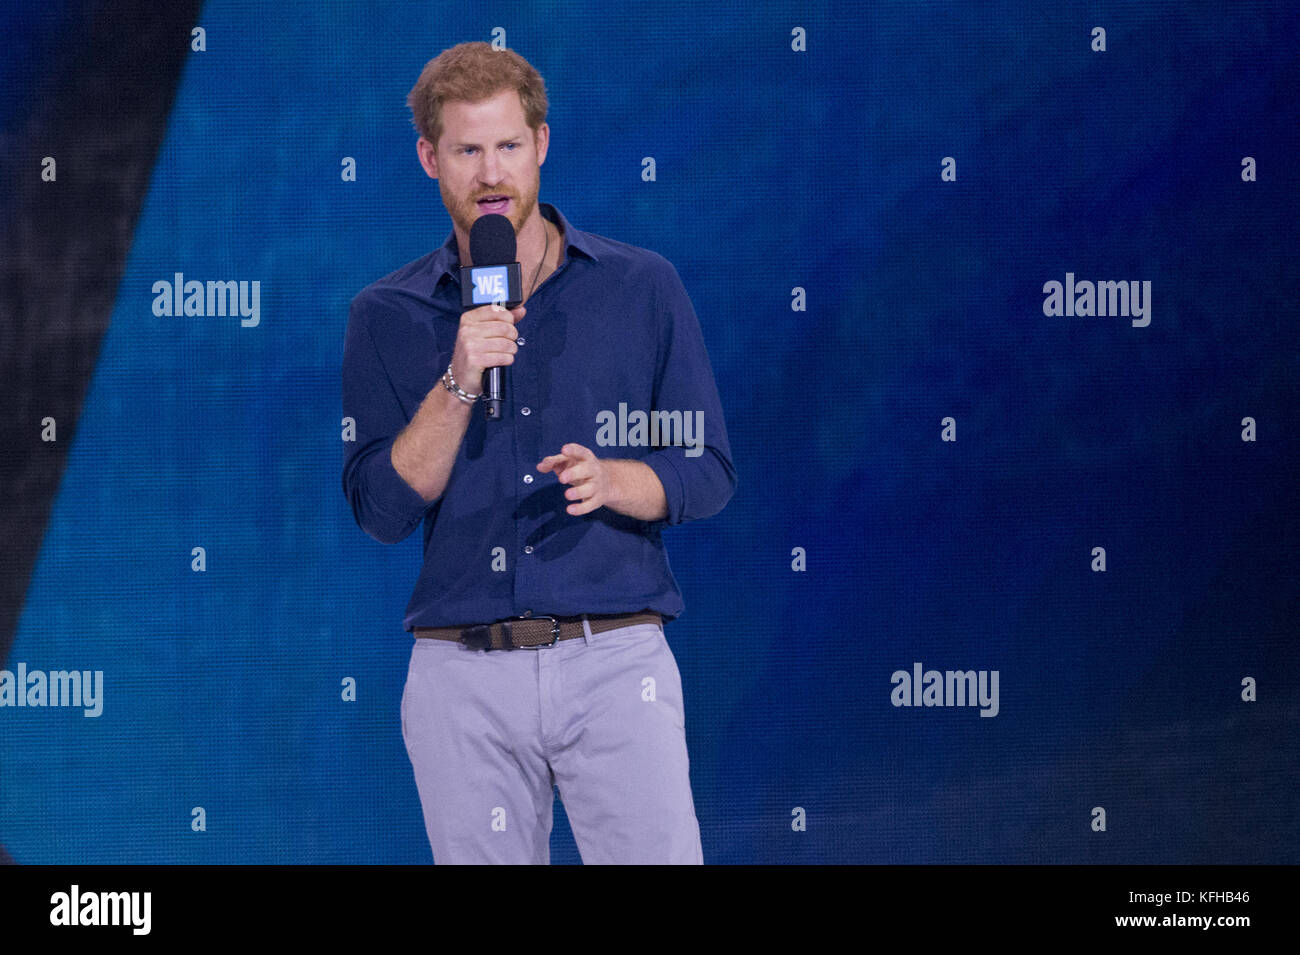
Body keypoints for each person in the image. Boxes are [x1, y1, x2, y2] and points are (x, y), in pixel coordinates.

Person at [341, 41, 736, 864]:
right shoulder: (387, 313)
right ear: (429, 159)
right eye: (467, 149)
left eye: (509, 146)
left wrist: (617, 479)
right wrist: (456, 379)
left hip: (616, 659)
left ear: (543, 145)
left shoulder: (641, 286)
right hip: (463, 675)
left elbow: (708, 467)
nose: (492, 172)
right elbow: (381, 508)